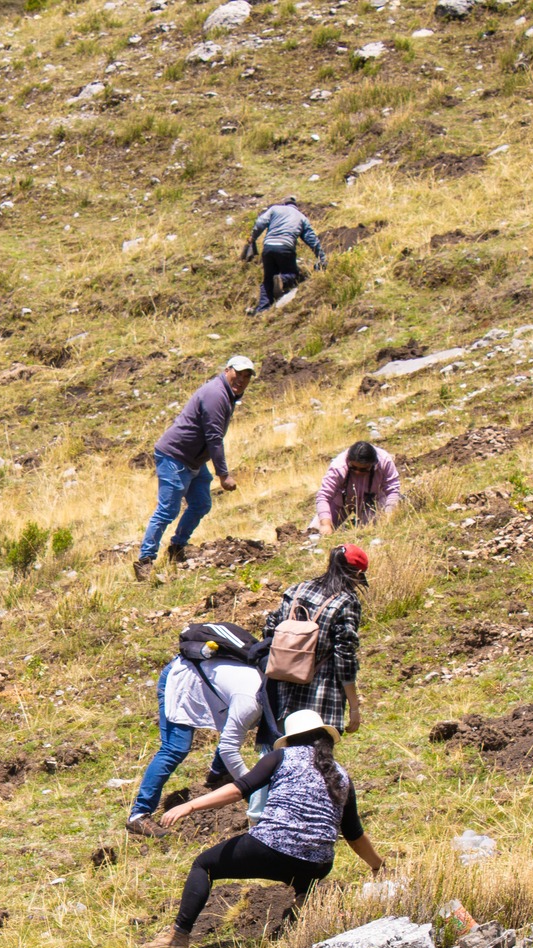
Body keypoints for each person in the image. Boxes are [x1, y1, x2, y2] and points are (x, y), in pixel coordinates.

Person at [140, 710, 385, 948]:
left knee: (204, 865)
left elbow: (239, 789)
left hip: (271, 848)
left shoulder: (281, 756)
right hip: (316, 864)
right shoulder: (341, 776)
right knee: (305, 882)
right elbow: (353, 834)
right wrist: (378, 865)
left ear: (289, 739)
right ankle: (300, 920)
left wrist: (191, 805)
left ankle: (178, 935)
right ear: (325, 739)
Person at [126, 641, 271, 839]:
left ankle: (217, 774)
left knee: (234, 729)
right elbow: (229, 748)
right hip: (181, 677)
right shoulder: (250, 702)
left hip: (209, 681)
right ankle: (139, 815)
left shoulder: (266, 694)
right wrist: (250, 787)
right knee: (175, 748)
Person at [135, 358, 252, 575]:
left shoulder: (228, 394)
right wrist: (223, 475)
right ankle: (145, 560)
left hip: (193, 460)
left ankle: (177, 547)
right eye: (239, 374)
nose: (242, 380)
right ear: (227, 370)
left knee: (200, 503)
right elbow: (214, 437)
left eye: (247, 376)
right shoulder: (216, 394)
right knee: (168, 510)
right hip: (175, 457)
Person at [263, 545, 367, 735]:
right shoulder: (346, 601)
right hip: (320, 693)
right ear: (358, 573)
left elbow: (270, 628)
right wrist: (354, 706)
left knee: (283, 751)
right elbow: (344, 658)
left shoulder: (296, 590)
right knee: (317, 755)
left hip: (281, 688)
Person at [245, 198, 326, 315]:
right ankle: (282, 279)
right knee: (292, 274)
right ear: (296, 206)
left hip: (268, 247)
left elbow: (260, 223)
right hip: (286, 248)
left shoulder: (275, 209)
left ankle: (262, 309)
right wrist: (321, 256)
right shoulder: (301, 217)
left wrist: (253, 238)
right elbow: (312, 240)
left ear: (284, 203)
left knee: (268, 279)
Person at [313, 442, 401, 533]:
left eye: (363, 469)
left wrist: (389, 516)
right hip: (340, 503)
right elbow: (323, 496)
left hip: (373, 503)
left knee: (377, 530)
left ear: (373, 464)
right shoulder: (338, 467)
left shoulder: (384, 461)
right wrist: (325, 524)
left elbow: (393, 491)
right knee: (315, 532)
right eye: (353, 468)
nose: (358, 472)